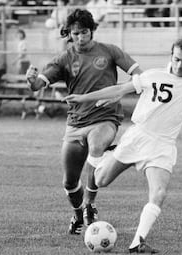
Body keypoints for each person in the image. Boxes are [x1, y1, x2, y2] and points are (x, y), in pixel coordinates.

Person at [63, 37, 182, 253]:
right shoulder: (152, 76)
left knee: (159, 193)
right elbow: (118, 89)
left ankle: (137, 242)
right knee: (100, 179)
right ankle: (111, 153)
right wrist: (82, 98)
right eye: (177, 60)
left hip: (163, 146)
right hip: (138, 137)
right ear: (171, 57)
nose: (180, 65)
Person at [26, 9, 142, 235]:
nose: (80, 38)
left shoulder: (109, 52)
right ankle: (78, 215)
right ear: (69, 33)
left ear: (92, 30)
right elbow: (37, 86)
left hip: (105, 118)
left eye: (85, 32)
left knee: (97, 146)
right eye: (75, 33)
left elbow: (139, 74)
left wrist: (122, 92)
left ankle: (90, 204)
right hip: (75, 124)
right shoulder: (64, 58)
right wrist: (31, 80)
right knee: (69, 182)